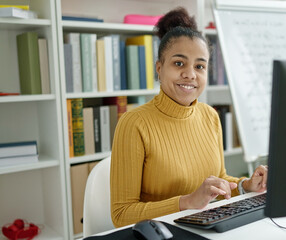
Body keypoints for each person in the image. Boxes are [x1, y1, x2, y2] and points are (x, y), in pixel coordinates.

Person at [110, 7, 268, 228]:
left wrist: (246, 185)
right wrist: (186, 202)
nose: (190, 74)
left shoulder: (210, 116)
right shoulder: (134, 124)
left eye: (199, 66)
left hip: (204, 228)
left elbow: (218, 179)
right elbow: (121, 214)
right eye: (178, 63)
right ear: (159, 68)